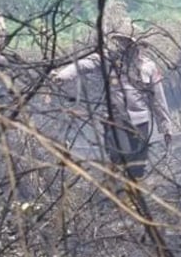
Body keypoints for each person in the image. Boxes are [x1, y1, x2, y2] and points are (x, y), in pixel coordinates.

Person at [50, 32, 172, 182]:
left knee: (138, 165)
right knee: (118, 159)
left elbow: (158, 98)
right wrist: (62, 76)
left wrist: (166, 127)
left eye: (129, 43)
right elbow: (82, 65)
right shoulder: (107, 60)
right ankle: (121, 192)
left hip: (140, 122)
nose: (125, 46)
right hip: (113, 120)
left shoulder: (149, 67)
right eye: (122, 42)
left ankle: (136, 193)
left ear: (138, 46)